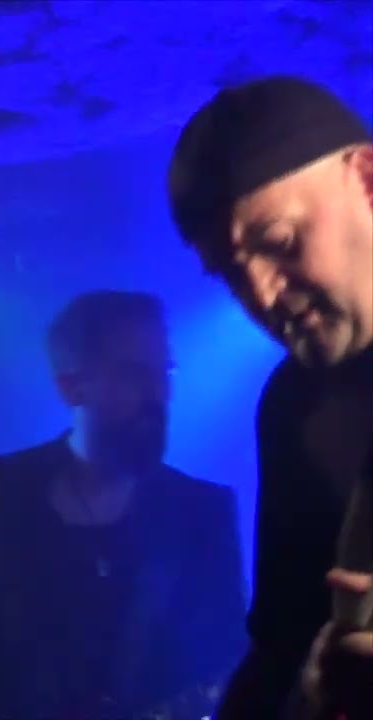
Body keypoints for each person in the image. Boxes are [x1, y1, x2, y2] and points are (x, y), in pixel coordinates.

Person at [167, 75, 373, 719]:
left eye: (280, 242)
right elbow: (281, 646)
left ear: (368, 180)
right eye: (231, 274)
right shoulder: (292, 404)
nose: (260, 295)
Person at [0, 290, 247, 719]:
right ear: (71, 386)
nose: (157, 393)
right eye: (132, 373)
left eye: (164, 372)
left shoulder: (204, 513)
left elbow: (230, 664)